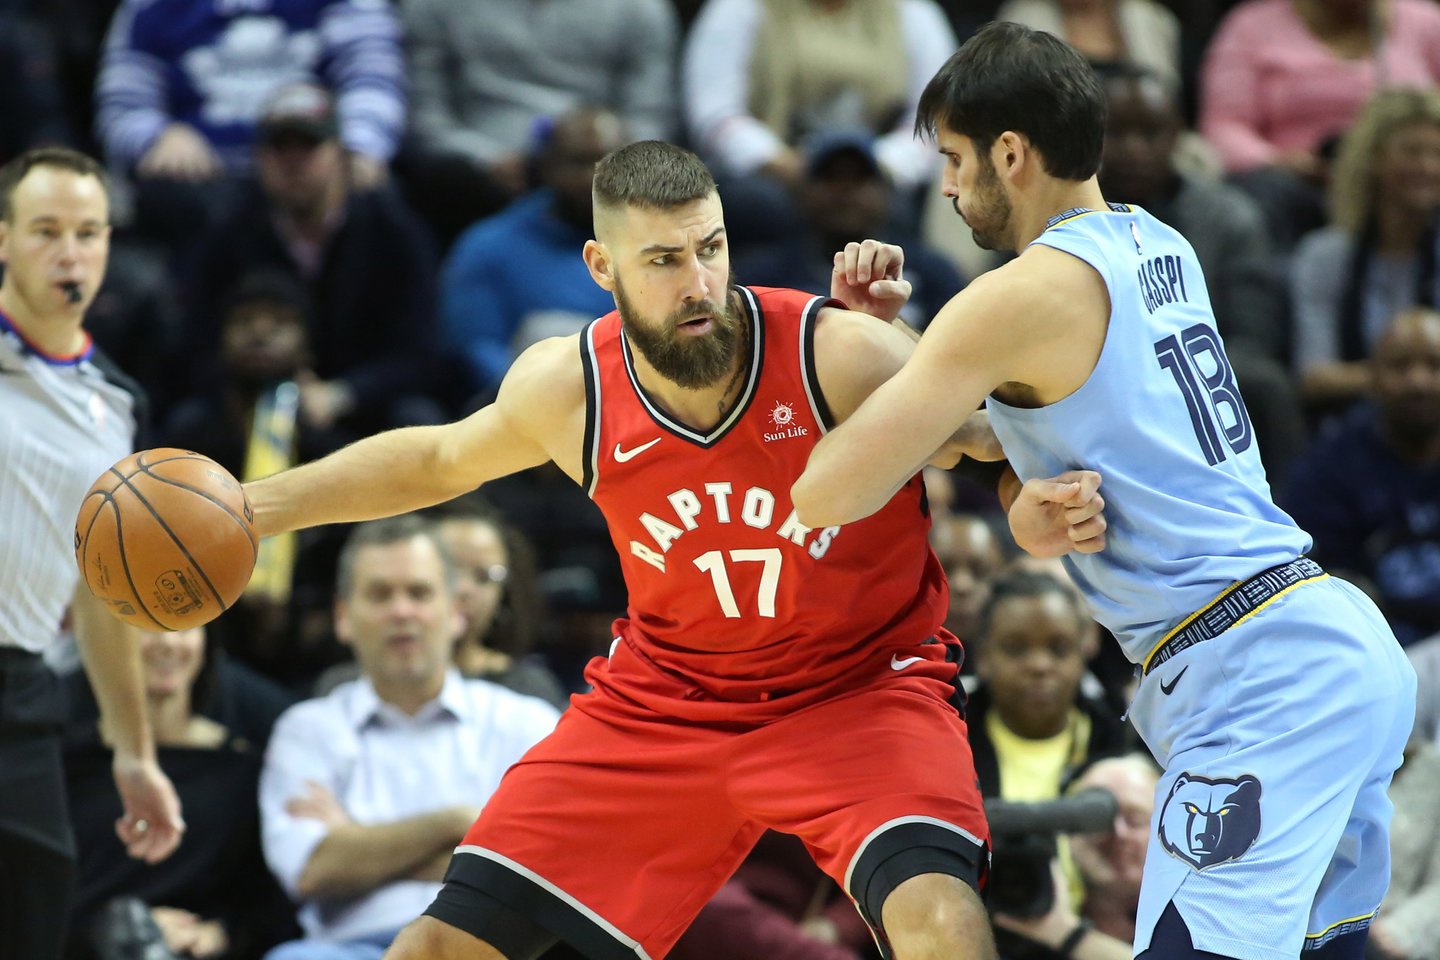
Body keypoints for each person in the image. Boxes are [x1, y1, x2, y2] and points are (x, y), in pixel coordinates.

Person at [235, 139, 1108, 960]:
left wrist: (1025, 508)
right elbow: (434, 459)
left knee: (941, 919)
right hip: (667, 703)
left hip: (860, 691)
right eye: (664, 261)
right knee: (436, 947)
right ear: (601, 267)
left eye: (712, 248)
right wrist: (255, 506)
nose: (700, 284)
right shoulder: (570, 386)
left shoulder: (831, 350)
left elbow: (987, 436)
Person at [794, 21, 1417, 960]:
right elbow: (1028, 431)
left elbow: (828, 491)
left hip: (1256, 674)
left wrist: (864, 350)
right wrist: (1019, 502)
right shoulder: (1158, 241)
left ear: (1012, 152)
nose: (951, 188)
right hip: (1327, 638)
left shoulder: (1016, 294)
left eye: (958, 160)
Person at [0, 147, 183, 960]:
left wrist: (134, 752)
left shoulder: (115, 406)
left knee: (33, 916)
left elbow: (106, 594)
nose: (69, 253)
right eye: (45, 232)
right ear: (3, 239)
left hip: (19, 691)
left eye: (87, 232)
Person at [259, 516, 559, 958]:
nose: (402, 612)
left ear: (456, 613)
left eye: (419, 593)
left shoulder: (526, 723)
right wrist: (461, 823)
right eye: (380, 594)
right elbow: (311, 870)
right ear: (343, 617)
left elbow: (555, 868)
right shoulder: (306, 729)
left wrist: (361, 844)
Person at [64, 626, 298, 960]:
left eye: (185, 627)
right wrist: (115, 928)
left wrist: (219, 933)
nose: (168, 643)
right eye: (147, 627)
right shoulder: (65, 760)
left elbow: (269, 903)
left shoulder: (243, 767)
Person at [1280, 307, 1440, 646]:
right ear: (1373, 377)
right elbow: (1311, 584)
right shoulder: (1329, 467)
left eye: (1433, 366)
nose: (1418, 382)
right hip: (1375, 651)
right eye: (1400, 366)